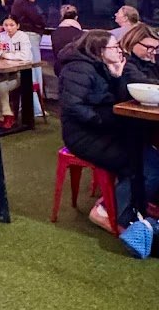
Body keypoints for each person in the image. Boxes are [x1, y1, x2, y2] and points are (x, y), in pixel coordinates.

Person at [59, 30, 159, 231]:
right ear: (99, 50)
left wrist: (117, 77)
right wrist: (102, 121)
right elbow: (74, 106)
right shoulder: (78, 68)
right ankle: (108, 211)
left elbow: (117, 99)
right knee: (139, 163)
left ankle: (137, 205)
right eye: (115, 47)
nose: (120, 50)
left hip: (106, 131)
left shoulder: (106, 67)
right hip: (84, 135)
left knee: (151, 159)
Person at [10, 0, 46, 118]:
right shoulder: (23, 3)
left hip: (29, 37)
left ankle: (28, 106)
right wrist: (42, 23)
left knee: (31, 71)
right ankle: (35, 108)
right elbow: (38, 18)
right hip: (30, 38)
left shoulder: (18, 3)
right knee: (34, 70)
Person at [0, 16, 32, 126]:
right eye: (6, 25)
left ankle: (6, 115)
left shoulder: (23, 37)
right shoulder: (1, 36)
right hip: (3, 73)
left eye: (12, 25)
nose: (8, 28)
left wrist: (5, 55)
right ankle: (2, 115)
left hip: (20, 73)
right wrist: (0, 51)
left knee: (0, 86)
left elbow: (25, 56)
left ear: (18, 26)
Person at [120, 23, 159, 89]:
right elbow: (142, 82)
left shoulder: (153, 60)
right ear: (133, 43)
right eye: (149, 47)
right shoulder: (123, 61)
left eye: (156, 48)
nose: (154, 52)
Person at [51, 5, 83, 74]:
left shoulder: (55, 33)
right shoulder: (81, 34)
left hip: (59, 68)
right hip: (76, 69)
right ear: (76, 18)